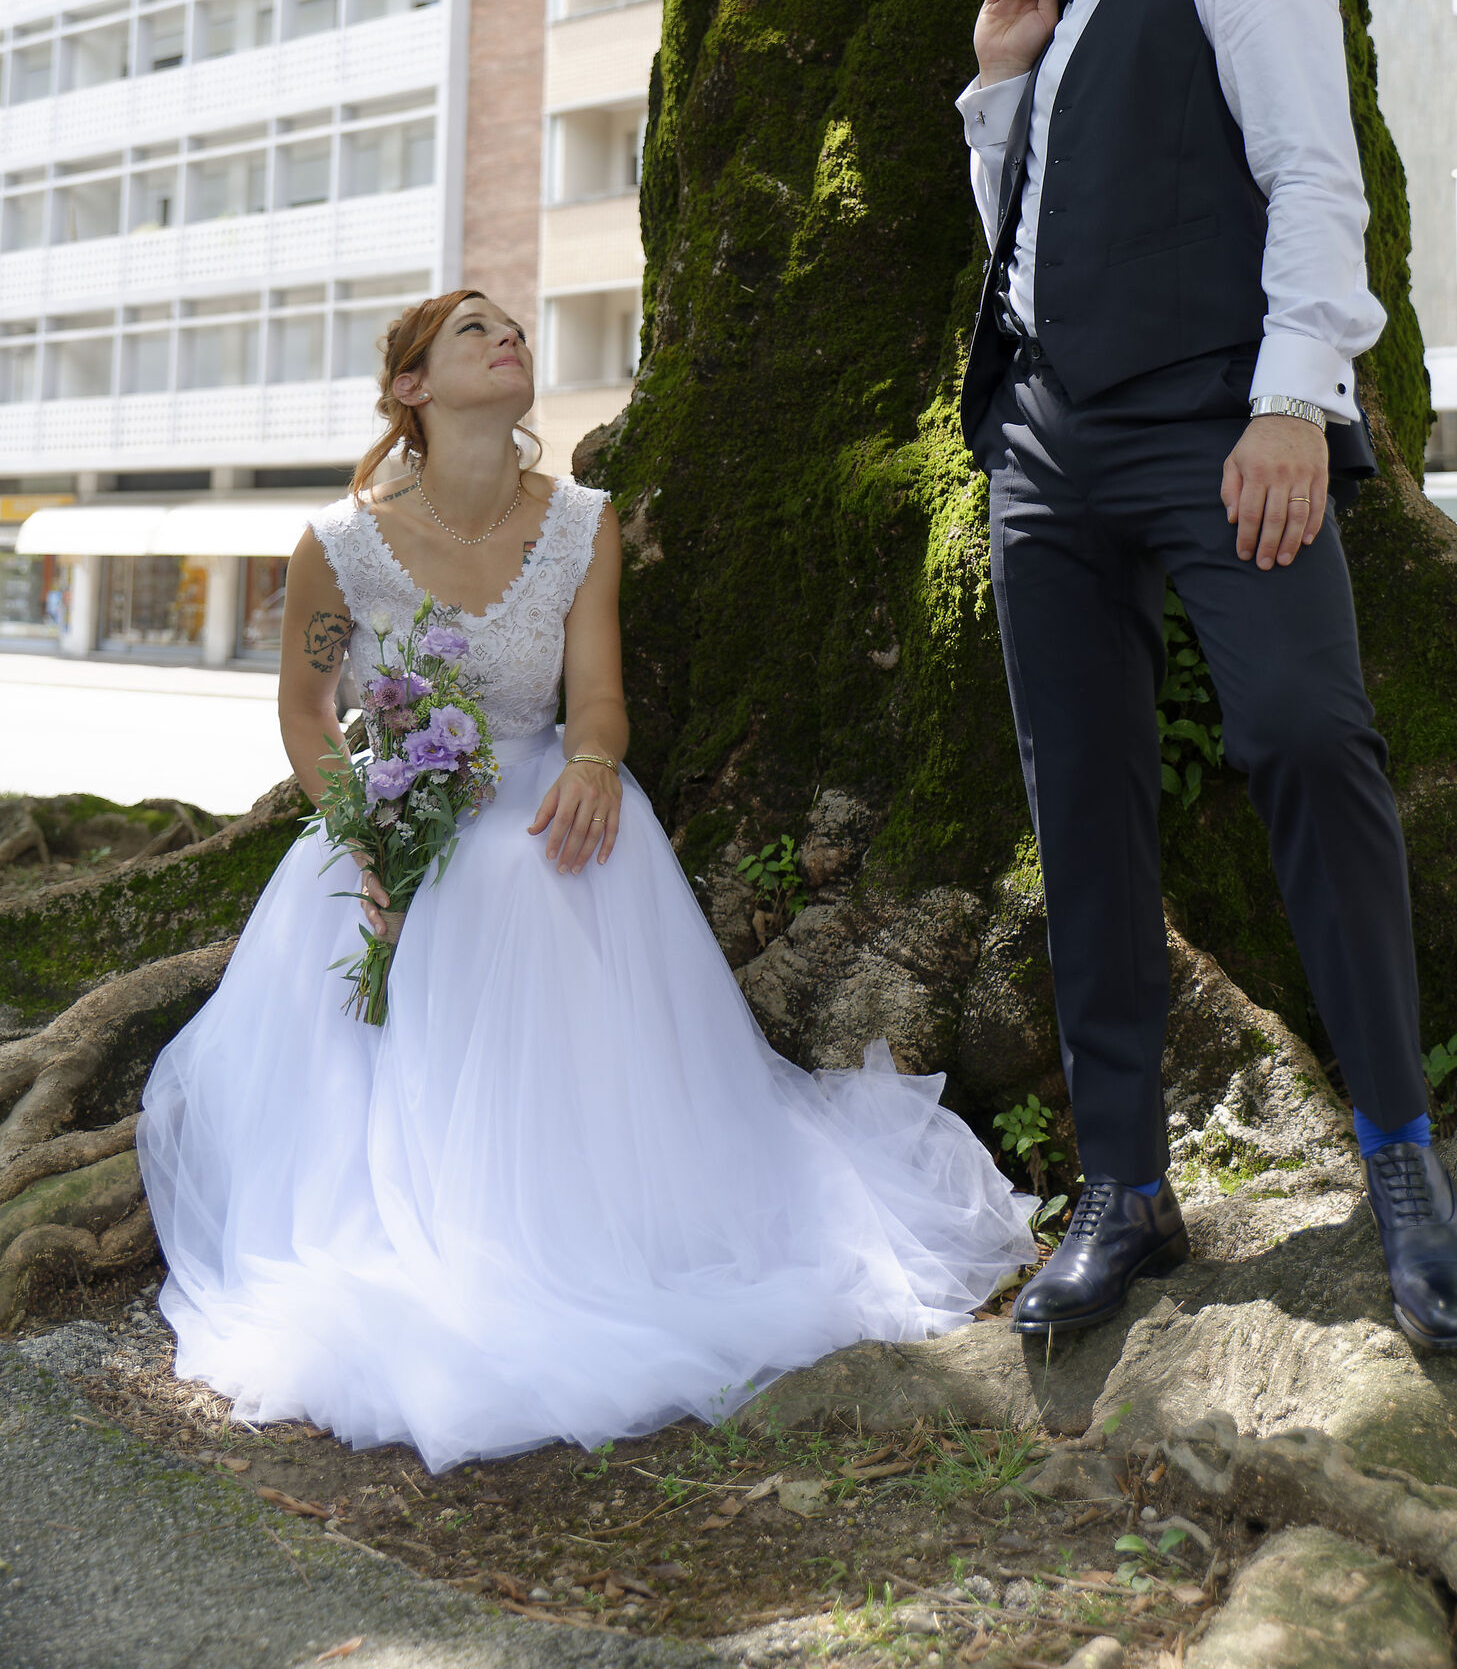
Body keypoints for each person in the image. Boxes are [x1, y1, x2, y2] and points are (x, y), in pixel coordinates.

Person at [137, 290, 1035, 1470]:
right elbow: (306, 712)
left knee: (531, 870)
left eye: (512, 326)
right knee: (415, 914)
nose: (506, 337)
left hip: (543, 789)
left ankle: (580, 1219)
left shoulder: (579, 523)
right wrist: (359, 834)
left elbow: (596, 697)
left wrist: (595, 763)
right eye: (472, 330)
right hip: (391, 810)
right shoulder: (340, 543)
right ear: (411, 387)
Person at [947, 0, 1457, 1353]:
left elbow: (1313, 182)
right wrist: (996, 96)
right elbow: (1031, 244)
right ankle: (1122, 1188)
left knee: (1306, 736)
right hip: (1044, 445)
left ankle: (1398, 1158)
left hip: (1216, 420)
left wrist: (1288, 403)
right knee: (1080, 805)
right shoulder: (1042, 14)